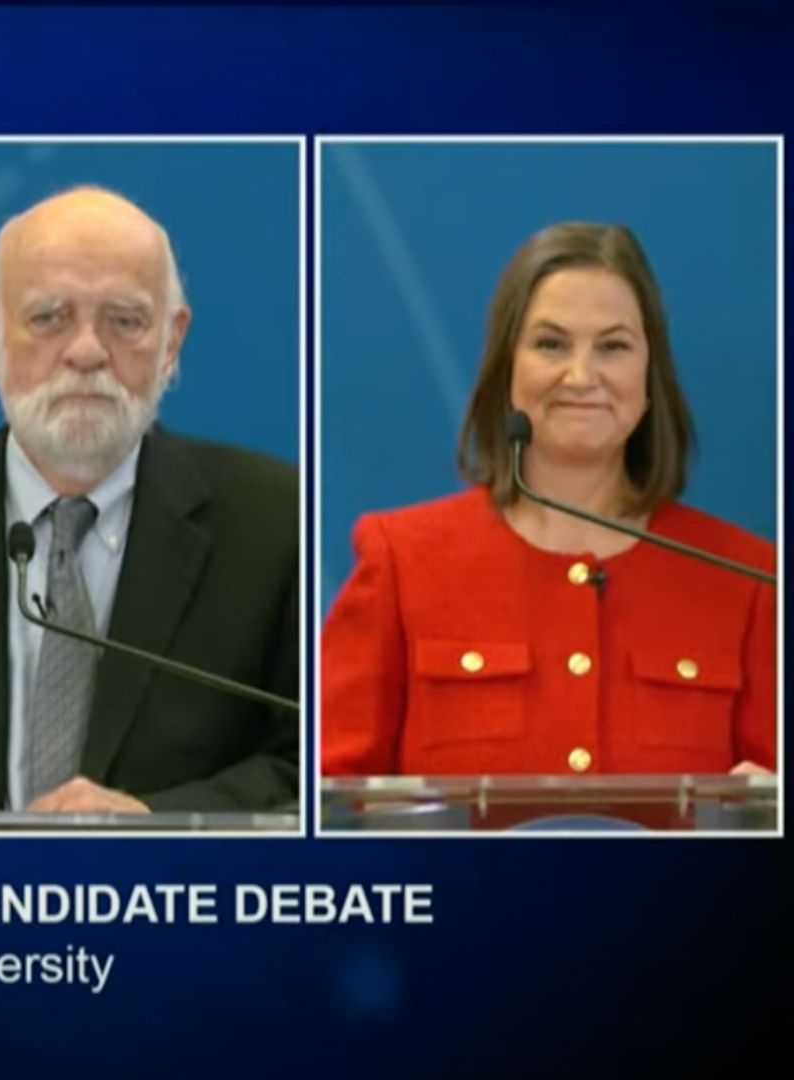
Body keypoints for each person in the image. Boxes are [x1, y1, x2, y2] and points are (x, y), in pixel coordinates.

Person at [0, 186, 300, 815]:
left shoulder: (276, 525)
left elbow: (305, 767)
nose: (87, 351)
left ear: (171, 342)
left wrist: (152, 823)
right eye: (48, 318)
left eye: (125, 321)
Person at [322, 222, 776, 777]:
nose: (581, 376)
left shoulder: (748, 580)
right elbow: (332, 796)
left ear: (649, 378)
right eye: (550, 344)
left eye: (613, 346)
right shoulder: (402, 561)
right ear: (507, 370)